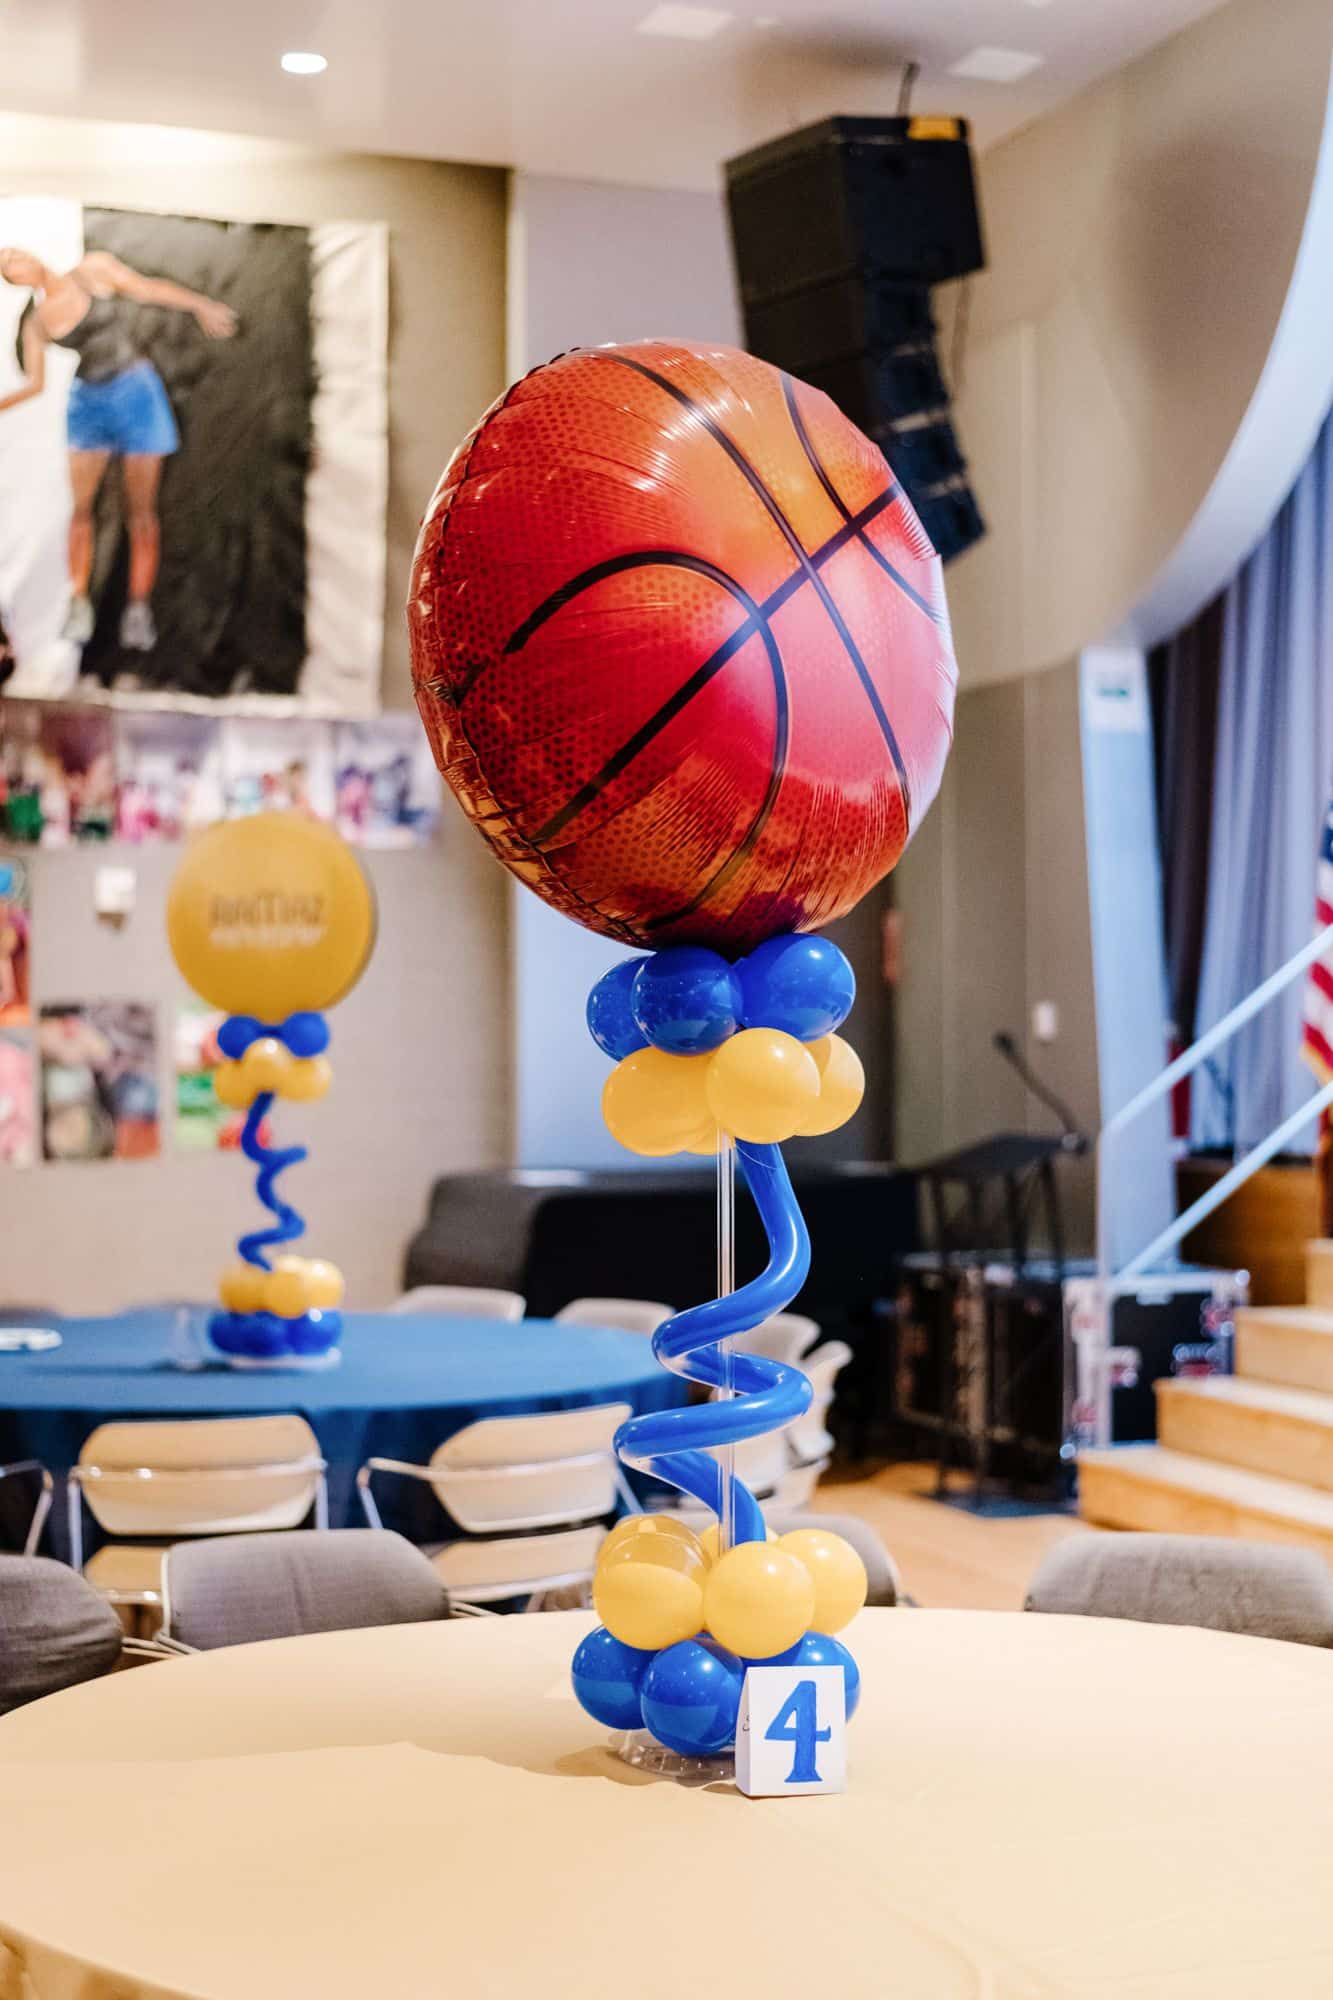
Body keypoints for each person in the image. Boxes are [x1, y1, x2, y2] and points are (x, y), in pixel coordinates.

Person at [0, 246, 236, 653]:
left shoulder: (92, 271)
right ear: (13, 280)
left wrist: (200, 305)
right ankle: (78, 602)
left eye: (15, 254)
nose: (18, 261)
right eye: (8, 265)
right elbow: (34, 385)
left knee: (140, 511)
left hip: (135, 393)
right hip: (89, 403)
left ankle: (138, 608)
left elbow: (147, 289)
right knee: (81, 510)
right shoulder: (37, 323)